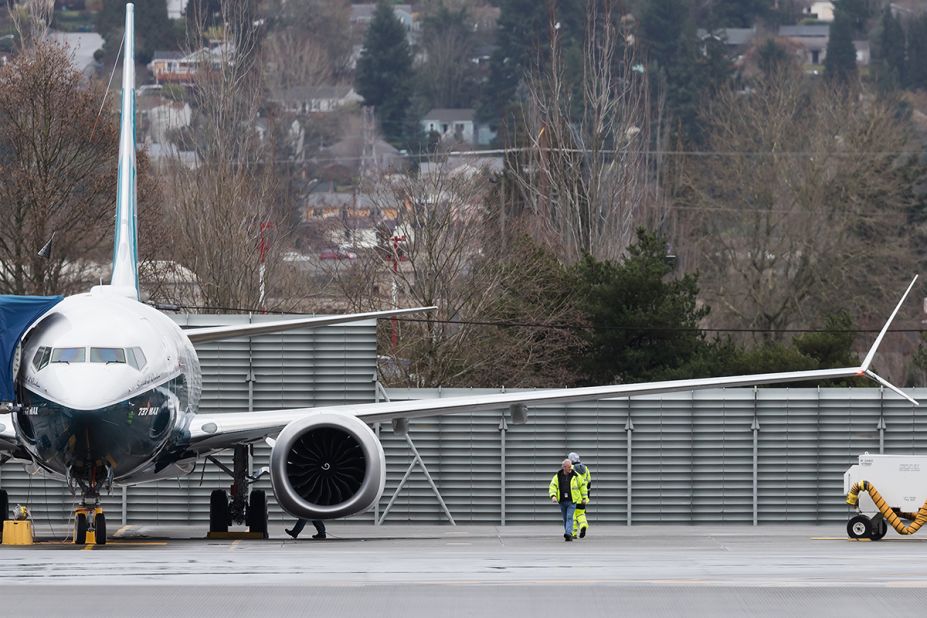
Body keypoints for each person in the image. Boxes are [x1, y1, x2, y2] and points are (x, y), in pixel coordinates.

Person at [548, 458, 588, 541]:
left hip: (572, 501)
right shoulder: (557, 476)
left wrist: (584, 498)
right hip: (562, 501)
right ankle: (568, 533)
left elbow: (583, 486)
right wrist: (553, 496)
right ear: (564, 467)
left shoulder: (576, 475)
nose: (571, 468)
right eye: (569, 467)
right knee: (565, 518)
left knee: (569, 517)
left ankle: (568, 533)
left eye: (571, 466)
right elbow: (553, 486)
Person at [568, 452, 592, 538]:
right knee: (581, 513)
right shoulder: (585, 468)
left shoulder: (570, 468)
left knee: (573, 515)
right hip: (583, 496)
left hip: (574, 496)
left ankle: (573, 533)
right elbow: (589, 482)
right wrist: (587, 496)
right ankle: (583, 526)